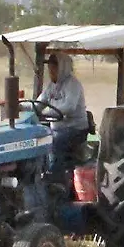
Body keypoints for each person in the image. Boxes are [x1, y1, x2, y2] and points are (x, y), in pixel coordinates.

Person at [37, 52, 90, 188]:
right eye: (49, 68)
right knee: (38, 138)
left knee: (54, 141)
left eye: (54, 68)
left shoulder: (73, 85)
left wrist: (49, 112)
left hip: (75, 129)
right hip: (57, 128)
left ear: (62, 68)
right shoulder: (51, 86)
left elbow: (69, 106)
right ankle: (39, 173)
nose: (51, 71)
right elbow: (38, 104)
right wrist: (19, 106)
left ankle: (55, 181)